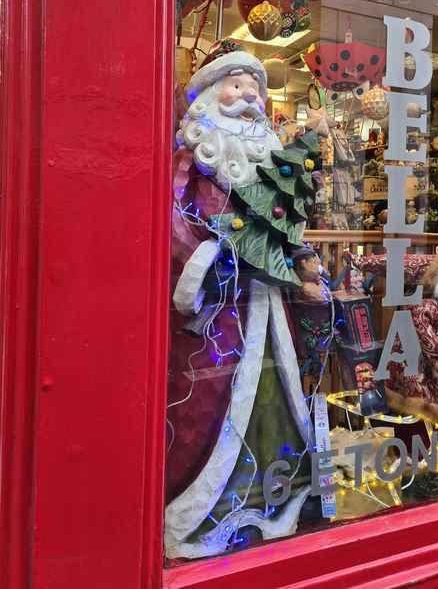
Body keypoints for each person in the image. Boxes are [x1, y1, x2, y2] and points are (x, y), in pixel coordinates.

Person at [165, 41, 321, 559]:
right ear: (210, 94)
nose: (249, 98)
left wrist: (300, 260)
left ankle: (277, 501)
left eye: (256, 89)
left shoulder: (271, 168)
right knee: (209, 410)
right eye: (237, 85)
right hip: (218, 316)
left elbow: (284, 225)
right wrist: (207, 260)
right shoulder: (191, 160)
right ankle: (200, 513)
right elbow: (172, 222)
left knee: (274, 398)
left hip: (269, 307)